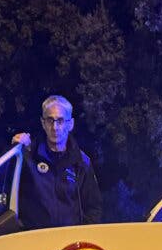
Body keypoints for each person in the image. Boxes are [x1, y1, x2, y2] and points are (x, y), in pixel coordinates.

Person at [11, 96, 102, 229]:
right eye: (50, 120)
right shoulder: (27, 155)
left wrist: (82, 236)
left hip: (68, 239)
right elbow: (5, 188)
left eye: (60, 121)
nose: (55, 127)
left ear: (70, 124)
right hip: (34, 238)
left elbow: (93, 208)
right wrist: (14, 149)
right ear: (43, 123)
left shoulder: (82, 162)